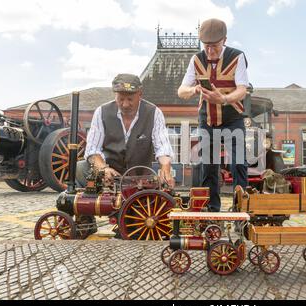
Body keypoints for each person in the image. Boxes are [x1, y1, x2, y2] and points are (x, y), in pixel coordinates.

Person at [178, 18, 249, 212]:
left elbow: (242, 89)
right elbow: (181, 90)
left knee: (238, 163)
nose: (209, 51)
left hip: (233, 118)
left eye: (214, 46)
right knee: (208, 165)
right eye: (206, 46)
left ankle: (240, 209)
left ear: (224, 40)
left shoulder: (237, 57)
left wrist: (224, 99)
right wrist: (193, 90)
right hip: (207, 120)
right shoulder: (196, 59)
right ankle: (212, 209)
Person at [77, 73, 175, 189]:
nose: (125, 104)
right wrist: (103, 168)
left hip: (140, 179)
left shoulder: (154, 113)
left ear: (140, 94)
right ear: (115, 95)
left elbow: (162, 148)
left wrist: (165, 169)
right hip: (109, 177)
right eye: (121, 99)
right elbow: (93, 149)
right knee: (80, 167)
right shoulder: (101, 112)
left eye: (130, 99)